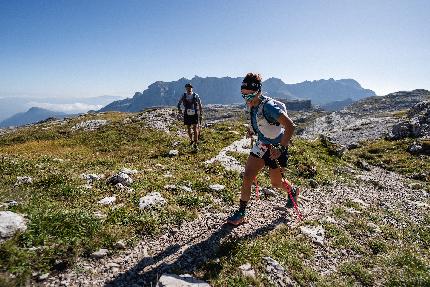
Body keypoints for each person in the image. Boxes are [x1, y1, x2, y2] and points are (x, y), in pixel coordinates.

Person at [227, 73, 299, 226]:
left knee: (276, 183)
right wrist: (253, 131)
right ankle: (241, 213)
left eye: (249, 95)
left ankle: (292, 190)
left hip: (276, 149)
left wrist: (280, 148)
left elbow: (290, 126)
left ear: (258, 91)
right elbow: (263, 125)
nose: (246, 99)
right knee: (247, 176)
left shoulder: (269, 107)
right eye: (243, 95)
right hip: (261, 145)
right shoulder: (253, 105)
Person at [177, 83, 203, 149]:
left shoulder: (196, 95)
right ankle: (191, 140)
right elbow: (179, 104)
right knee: (188, 128)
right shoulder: (183, 95)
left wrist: (201, 113)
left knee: (195, 128)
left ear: (192, 88)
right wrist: (179, 109)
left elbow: (200, 104)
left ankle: (195, 142)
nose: (189, 88)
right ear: (186, 88)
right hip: (187, 113)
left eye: (190, 87)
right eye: (188, 87)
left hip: (195, 113)